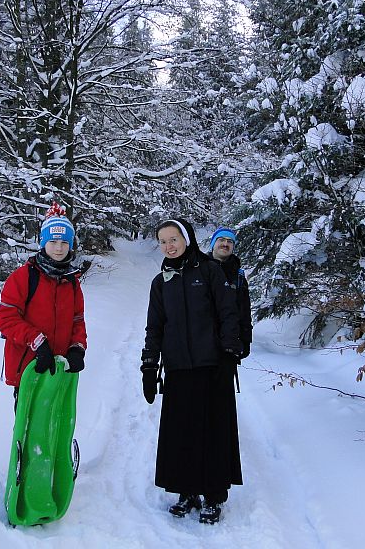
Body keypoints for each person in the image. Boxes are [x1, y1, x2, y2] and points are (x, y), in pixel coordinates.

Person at [141, 217, 244, 524]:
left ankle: (213, 495)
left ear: (186, 239)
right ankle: (186, 490)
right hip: (178, 369)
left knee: (212, 433)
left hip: (212, 367)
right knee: (181, 433)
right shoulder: (161, 282)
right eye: (163, 241)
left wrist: (229, 355)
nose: (168, 246)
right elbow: (154, 327)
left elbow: (229, 313)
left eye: (173, 239)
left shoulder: (210, 271)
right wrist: (149, 365)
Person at [0, 202, 87, 408]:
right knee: (28, 425)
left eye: (64, 242)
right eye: (53, 241)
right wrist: (38, 343)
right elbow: (7, 320)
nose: (58, 247)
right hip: (30, 368)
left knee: (55, 423)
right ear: (43, 242)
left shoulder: (71, 281)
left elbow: (78, 321)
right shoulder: (23, 277)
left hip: (60, 369)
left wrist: (77, 348)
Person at [208, 227, 252, 361]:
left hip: (229, 344)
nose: (225, 244)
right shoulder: (199, 269)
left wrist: (245, 339)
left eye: (230, 241)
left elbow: (244, 309)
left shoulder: (238, 276)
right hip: (201, 342)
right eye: (221, 240)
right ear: (213, 244)